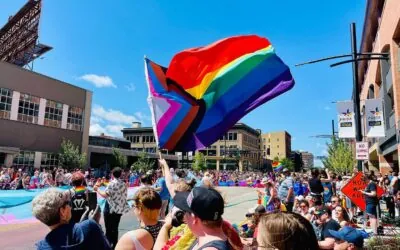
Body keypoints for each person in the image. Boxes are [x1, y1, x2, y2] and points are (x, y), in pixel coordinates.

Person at [32, 188, 110, 250]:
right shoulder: (89, 226)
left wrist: (80, 225)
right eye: (68, 203)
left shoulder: (41, 246)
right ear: (62, 211)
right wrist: (96, 224)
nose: (70, 206)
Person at [155, 186, 229, 250]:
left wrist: (165, 227)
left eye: (185, 212)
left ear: (194, 218)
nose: (184, 217)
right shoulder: (219, 237)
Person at [94, 167, 130, 249]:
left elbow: (105, 195)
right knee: (115, 228)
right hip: (119, 209)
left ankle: (107, 245)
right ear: (121, 174)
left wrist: (97, 189)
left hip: (110, 208)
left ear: (112, 174)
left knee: (108, 229)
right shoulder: (124, 184)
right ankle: (115, 245)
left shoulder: (111, 184)